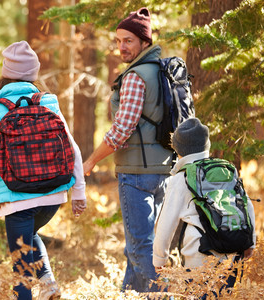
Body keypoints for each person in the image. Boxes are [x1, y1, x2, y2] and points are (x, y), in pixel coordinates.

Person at [0, 40, 87, 300]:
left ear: (5, 73)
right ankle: (49, 287)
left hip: (17, 199)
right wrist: (79, 193)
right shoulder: (49, 102)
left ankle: (41, 289)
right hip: (54, 196)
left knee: (21, 274)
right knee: (31, 236)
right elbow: (74, 150)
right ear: (34, 74)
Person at [82, 7, 173, 292]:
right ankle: (128, 295)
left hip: (136, 173)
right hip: (163, 171)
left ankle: (163, 296)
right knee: (142, 245)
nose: (121, 46)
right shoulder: (162, 70)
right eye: (118, 40)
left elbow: (122, 129)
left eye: (129, 40)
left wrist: (91, 160)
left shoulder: (136, 76)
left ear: (144, 42)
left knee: (139, 247)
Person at [152, 118, 256, 297]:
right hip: (232, 252)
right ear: (206, 146)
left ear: (178, 149)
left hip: (199, 255)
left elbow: (165, 224)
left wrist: (159, 259)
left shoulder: (181, 178)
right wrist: (250, 243)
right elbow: (247, 206)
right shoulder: (225, 170)